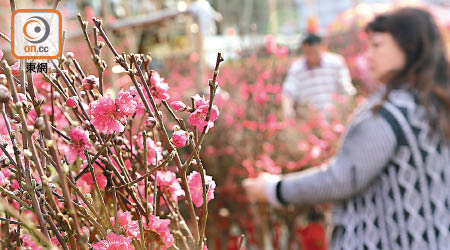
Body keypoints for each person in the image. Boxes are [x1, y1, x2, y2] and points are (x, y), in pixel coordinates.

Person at [243, 7, 450, 250]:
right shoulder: (434, 104)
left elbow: (340, 179)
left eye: (377, 45)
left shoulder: (390, 113)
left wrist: (272, 189)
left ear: (408, 45)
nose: (368, 55)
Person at [282, 33, 356, 117]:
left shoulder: (336, 63)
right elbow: (288, 92)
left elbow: (346, 90)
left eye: (314, 52)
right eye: (307, 53)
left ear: (322, 47)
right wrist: (288, 110)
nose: (311, 57)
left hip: (334, 117)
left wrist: (344, 111)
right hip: (308, 118)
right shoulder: (297, 68)